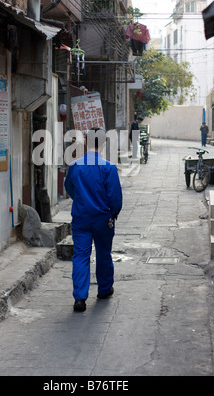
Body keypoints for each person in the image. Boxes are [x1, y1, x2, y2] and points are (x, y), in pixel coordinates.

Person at [64, 127, 123, 312]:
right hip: (103, 219)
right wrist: (113, 213)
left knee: (81, 255)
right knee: (103, 254)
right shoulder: (108, 168)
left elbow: (70, 188)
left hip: (81, 218)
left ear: (87, 142)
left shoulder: (75, 166)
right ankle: (104, 289)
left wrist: (81, 200)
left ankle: (80, 298)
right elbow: (115, 198)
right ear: (104, 143)